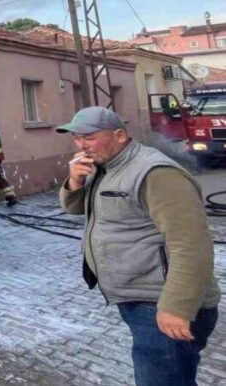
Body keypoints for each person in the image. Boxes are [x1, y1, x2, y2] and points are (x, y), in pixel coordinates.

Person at [57, 106, 219, 386]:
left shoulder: (155, 172)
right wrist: (75, 182)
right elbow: (77, 209)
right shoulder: (105, 166)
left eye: (90, 137)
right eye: (77, 138)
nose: (82, 144)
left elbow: (191, 244)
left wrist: (176, 307)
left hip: (160, 305)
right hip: (139, 299)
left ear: (120, 135)